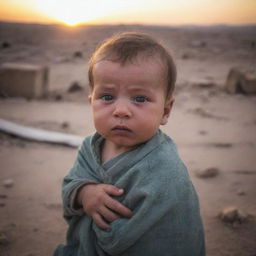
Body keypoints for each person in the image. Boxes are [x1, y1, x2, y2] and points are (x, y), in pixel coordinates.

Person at [54, 32, 205, 256]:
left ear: (165, 110)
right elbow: (71, 183)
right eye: (106, 97)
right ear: (91, 102)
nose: (121, 110)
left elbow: (174, 237)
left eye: (140, 99)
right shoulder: (90, 147)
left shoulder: (166, 172)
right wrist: (84, 193)